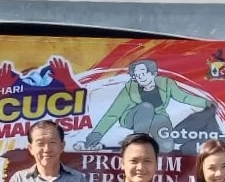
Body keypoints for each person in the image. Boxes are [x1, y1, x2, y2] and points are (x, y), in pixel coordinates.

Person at [83, 59, 216, 153]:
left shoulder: (166, 84)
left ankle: (150, 143)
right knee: (146, 107)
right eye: (137, 75)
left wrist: (205, 103)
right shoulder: (130, 89)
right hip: (133, 117)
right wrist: (95, 136)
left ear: (153, 74)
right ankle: (138, 143)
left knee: (166, 148)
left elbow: (183, 97)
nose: (140, 77)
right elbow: (113, 113)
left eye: (143, 73)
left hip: (158, 117)